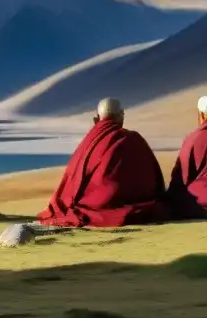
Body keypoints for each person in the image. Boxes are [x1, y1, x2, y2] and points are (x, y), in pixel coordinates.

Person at [37, 97, 168, 228]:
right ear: (121, 116)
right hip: (121, 205)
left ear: (97, 118)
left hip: (84, 204)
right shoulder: (132, 139)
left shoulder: (88, 141)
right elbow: (152, 178)